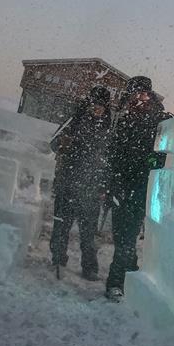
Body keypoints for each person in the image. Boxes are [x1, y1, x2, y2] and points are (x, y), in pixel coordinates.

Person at [104, 76, 171, 300]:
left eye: (143, 93)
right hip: (120, 187)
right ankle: (132, 277)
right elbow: (113, 154)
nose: (139, 98)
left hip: (141, 187)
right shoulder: (124, 118)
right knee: (121, 237)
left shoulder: (160, 119)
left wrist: (151, 163)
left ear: (149, 95)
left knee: (127, 238)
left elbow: (164, 151)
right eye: (135, 93)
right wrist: (110, 182)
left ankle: (116, 283)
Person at [48, 86, 113, 280]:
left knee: (89, 233)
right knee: (61, 226)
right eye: (95, 104)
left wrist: (105, 186)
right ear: (89, 103)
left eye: (101, 105)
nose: (97, 108)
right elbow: (53, 143)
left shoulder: (108, 128)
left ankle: (89, 267)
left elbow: (109, 161)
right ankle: (58, 258)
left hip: (91, 188)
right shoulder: (73, 121)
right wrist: (62, 142)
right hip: (67, 182)